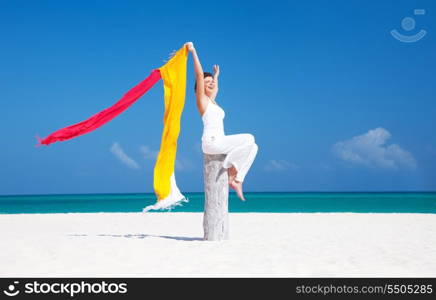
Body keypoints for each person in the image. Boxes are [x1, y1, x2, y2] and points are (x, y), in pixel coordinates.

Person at [185, 42, 258, 201]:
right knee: (249, 138)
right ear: (200, 86)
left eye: (212, 81)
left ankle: (237, 180)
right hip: (211, 142)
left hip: (220, 140)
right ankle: (230, 168)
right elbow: (198, 74)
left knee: (254, 147)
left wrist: (215, 76)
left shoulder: (212, 101)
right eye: (208, 81)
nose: (211, 83)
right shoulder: (202, 100)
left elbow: (215, 88)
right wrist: (193, 51)